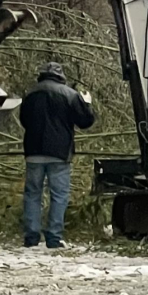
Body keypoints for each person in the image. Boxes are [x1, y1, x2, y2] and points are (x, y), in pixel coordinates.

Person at [19, 62, 95, 248]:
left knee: (32, 193)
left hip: (34, 150)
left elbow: (24, 120)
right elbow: (85, 122)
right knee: (59, 194)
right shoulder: (69, 94)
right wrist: (87, 104)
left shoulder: (30, 94)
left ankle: (31, 236)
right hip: (59, 153)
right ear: (61, 77)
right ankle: (53, 237)